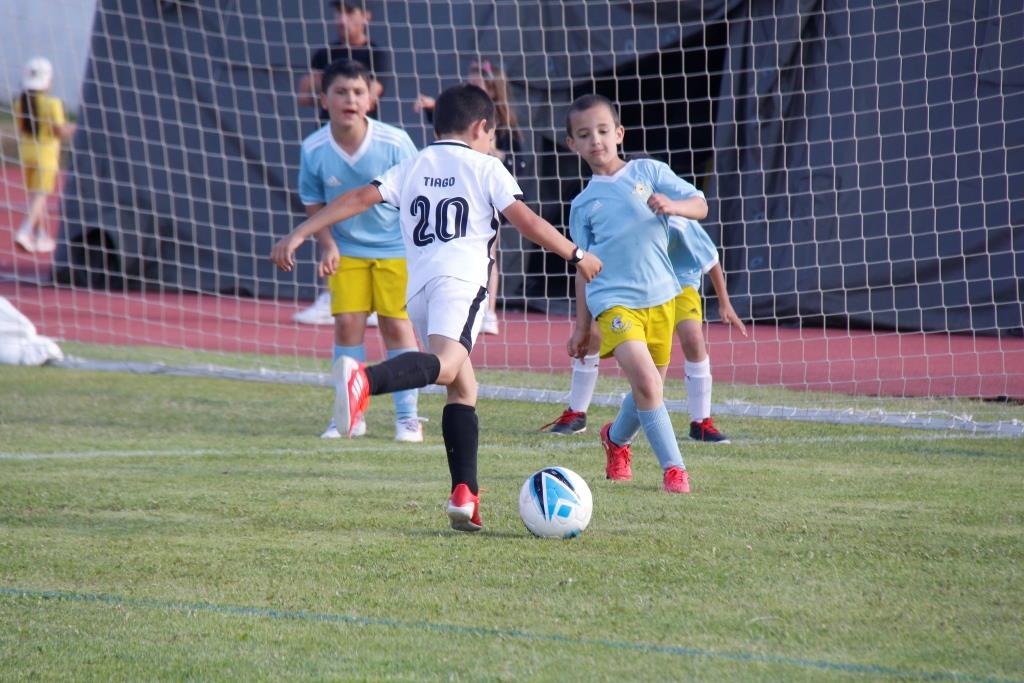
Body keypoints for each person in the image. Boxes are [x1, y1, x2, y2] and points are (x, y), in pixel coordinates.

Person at [271, 84, 602, 531]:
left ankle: (465, 496)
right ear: (482, 128)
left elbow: (357, 199)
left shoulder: (415, 163)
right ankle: (364, 381)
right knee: (446, 366)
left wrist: (300, 232)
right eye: (492, 133)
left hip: (420, 291)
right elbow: (527, 221)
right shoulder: (488, 166)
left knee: (463, 388)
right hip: (460, 284)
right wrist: (577, 255)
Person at [562, 94, 707, 494]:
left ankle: (615, 439)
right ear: (572, 144)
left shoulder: (649, 171)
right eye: (584, 135)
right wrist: (582, 327)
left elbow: (701, 205)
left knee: (649, 389)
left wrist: (673, 205)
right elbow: (583, 268)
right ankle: (675, 469)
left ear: (619, 133)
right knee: (646, 381)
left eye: (603, 131)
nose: (596, 140)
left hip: (662, 298)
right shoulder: (583, 204)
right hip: (613, 303)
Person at [542, 192, 748, 443]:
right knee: (593, 335)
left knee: (692, 337)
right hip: (636, 284)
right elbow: (586, 267)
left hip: (680, 283)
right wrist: (581, 325)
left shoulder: (678, 221)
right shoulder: (616, 221)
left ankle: (701, 422)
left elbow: (711, 259)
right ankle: (576, 413)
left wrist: (725, 303)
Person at [295, 59, 423, 442]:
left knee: (396, 327)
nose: (350, 99)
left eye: (357, 92)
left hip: (396, 249)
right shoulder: (313, 148)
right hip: (347, 250)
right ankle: (349, 414)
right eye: (340, 92)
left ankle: (408, 418)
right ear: (324, 99)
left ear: (370, 100)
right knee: (347, 324)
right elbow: (313, 201)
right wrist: (327, 244)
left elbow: (418, 192)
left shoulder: (395, 142)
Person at [413, 60, 531, 335]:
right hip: (458, 191)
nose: (473, 86)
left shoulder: (504, 125)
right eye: (470, 82)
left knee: (488, 252)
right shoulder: (457, 121)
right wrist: (433, 107)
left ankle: (488, 311)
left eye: (479, 83)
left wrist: (495, 153)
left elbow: (520, 162)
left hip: (487, 194)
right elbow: (447, 133)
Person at [294, 0, 390, 326]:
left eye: (350, 12)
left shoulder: (375, 54)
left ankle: (376, 300)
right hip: (331, 146)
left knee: (372, 216)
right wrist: (326, 86)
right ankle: (329, 294)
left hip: (365, 148)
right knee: (327, 215)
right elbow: (304, 94)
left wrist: (339, 86)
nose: (342, 19)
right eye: (338, 12)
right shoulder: (324, 54)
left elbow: (374, 92)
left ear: (366, 16)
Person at [12, 57, 76, 254]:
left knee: (35, 196)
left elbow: (21, 128)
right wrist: (77, 127)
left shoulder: (20, 103)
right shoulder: (52, 103)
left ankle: (41, 235)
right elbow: (59, 131)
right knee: (40, 195)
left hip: (27, 152)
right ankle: (25, 230)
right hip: (46, 154)